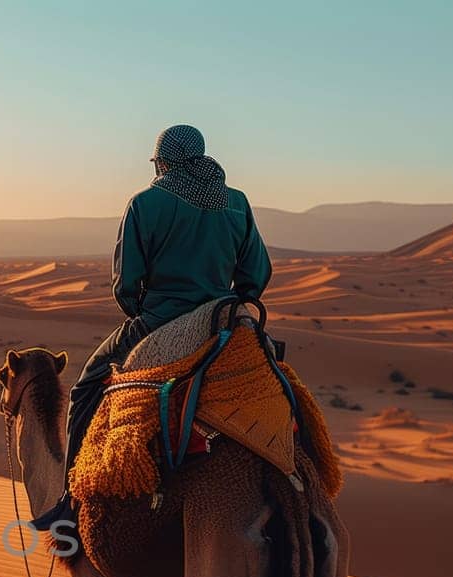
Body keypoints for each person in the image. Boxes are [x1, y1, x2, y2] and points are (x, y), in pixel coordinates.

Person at [31, 124, 273, 529]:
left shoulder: (146, 203)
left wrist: (145, 311)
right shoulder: (236, 202)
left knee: (85, 389)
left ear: (163, 161)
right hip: (223, 322)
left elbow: (126, 283)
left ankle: (70, 504)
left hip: (162, 320)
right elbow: (256, 275)